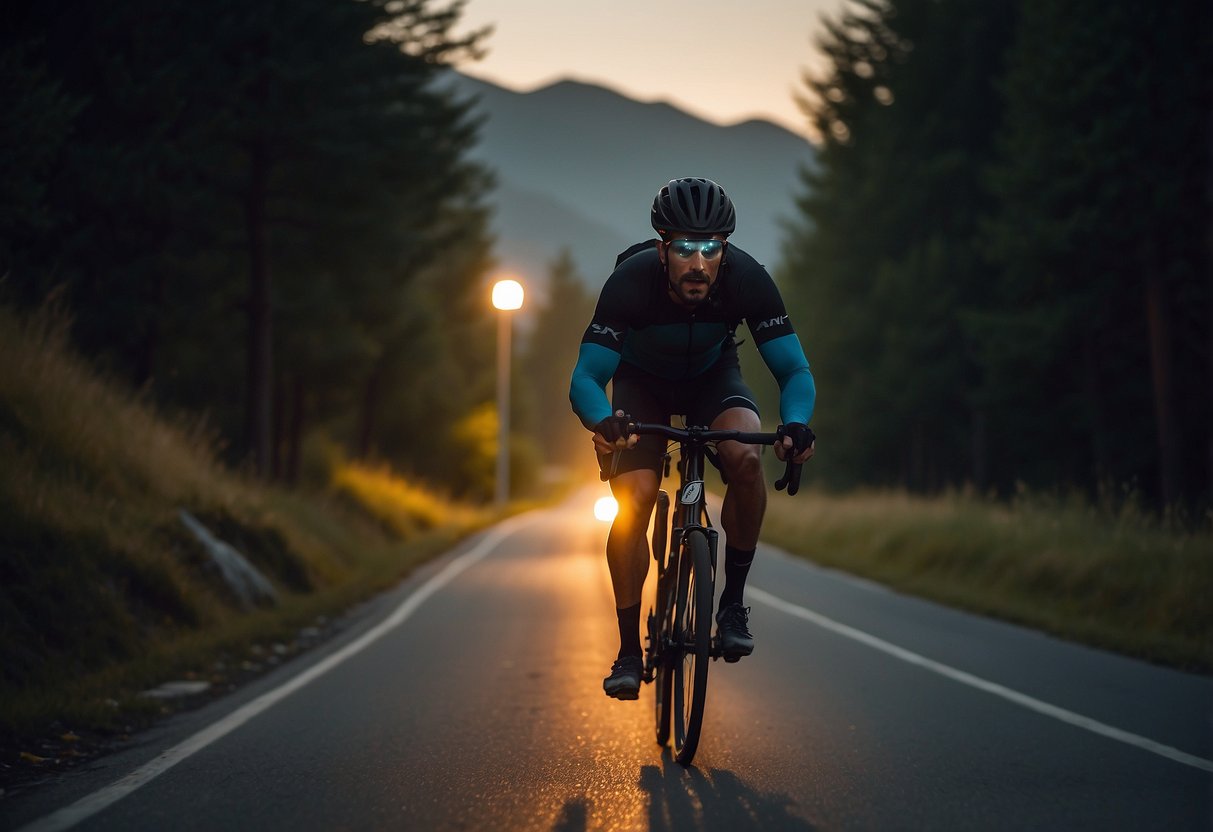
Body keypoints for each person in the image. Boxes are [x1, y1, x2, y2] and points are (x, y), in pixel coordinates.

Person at [569, 177, 816, 700]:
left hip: (713, 380)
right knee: (633, 500)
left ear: (725, 249)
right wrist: (603, 422)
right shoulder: (630, 282)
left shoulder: (747, 279)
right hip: (642, 387)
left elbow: (794, 370)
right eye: (683, 247)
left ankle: (731, 603)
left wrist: (794, 424)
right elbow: (586, 379)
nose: (698, 262)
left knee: (745, 457)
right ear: (662, 249)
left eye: (711, 248)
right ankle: (629, 650)